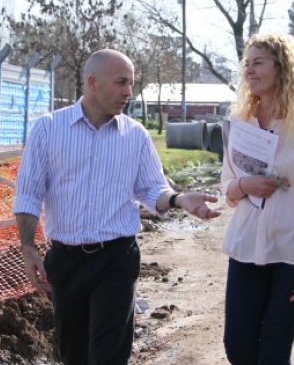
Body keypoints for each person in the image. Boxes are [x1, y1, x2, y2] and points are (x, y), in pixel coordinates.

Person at [13, 49, 220, 365]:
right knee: (73, 355)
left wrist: (179, 199)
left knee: (110, 356)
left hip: (116, 259)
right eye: (122, 82)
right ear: (93, 82)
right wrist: (28, 248)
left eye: (132, 84)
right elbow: (29, 194)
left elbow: (152, 189)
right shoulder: (48, 130)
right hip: (65, 261)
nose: (129, 92)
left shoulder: (135, 136)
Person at [221, 33, 294, 364]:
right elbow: (227, 190)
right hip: (246, 250)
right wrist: (246, 184)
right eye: (247, 64)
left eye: (258, 63)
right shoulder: (238, 123)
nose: (249, 71)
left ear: (283, 67)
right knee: (238, 348)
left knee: (272, 354)